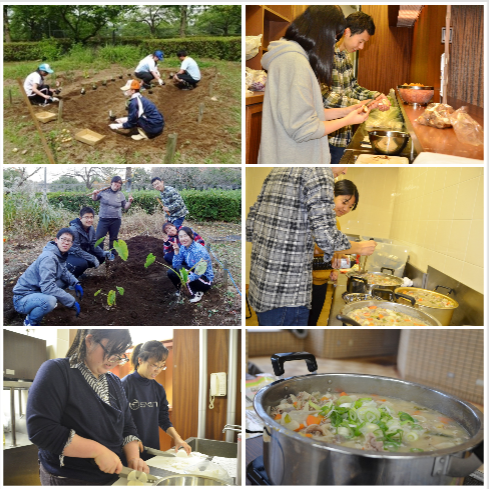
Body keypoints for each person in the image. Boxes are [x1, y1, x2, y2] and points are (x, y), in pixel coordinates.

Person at [246, 167, 377, 326]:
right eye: (344, 202)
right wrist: (360, 247)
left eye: (350, 206)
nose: (345, 170)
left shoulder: (277, 171)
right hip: (289, 293)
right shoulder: (318, 171)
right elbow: (326, 239)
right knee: (289, 346)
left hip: (263, 288)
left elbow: (250, 229)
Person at [26, 329, 149, 485]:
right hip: (69, 477)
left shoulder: (115, 382)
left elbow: (127, 426)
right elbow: (41, 430)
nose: (113, 360)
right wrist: (97, 451)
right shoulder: (56, 370)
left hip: (112, 476)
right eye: (111, 351)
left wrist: (133, 458)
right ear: (89, 341)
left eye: (119, 355)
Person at [257, 6, 371, 165]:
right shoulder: (294, 62)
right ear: (323, 33)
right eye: (334, 37)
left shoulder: (296, 59)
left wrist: (347, 111)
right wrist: (347, 120)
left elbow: (309, 114)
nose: (333, 44)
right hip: (292, 162)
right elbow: (303, 129)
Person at [323, 11, 392, 164]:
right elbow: (326, 98)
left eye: (364, 43)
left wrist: (375, 96)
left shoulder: (344, 57)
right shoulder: (324, 57)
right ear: (347, 32)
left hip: (343, 134)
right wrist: (363, 105)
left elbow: (353, 88)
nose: (361, 47)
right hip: (327, 136)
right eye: (360, 41)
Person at [121, 341, 191, 461]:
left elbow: (163, 418)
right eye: (154, 365)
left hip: (152, 448)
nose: (158, 370)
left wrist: (177, 438)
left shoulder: (158, 388)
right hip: (129, 449)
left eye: (162, 366)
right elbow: (118, 421)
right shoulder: (124, 385)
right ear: (140, 360)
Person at [309, 179, 359, 326]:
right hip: (307, 283)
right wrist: (356, 247)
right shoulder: (316, 215)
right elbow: (313, 247)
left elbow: (329, 249)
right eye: (344, 202)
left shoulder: (335, 221)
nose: (346, 209)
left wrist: (333, 265)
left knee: (312, 322)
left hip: (321, 281)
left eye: (350, 206)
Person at [12, 228, 82, 326]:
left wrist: (75, 283)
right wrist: (71, 301)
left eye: (68, 241)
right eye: (63, 239)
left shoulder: (59, 254)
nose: (65, 243)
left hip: (35, 291)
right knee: (50, 301)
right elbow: (47, 287)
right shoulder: (49, 257)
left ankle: (40, 301)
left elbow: (64, 272)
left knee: (63, 281)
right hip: (22, 298)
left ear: (72, 243)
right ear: (56, 240)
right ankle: (31, 322)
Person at [168, 227, 213, 303]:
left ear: (191, 235)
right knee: (171, 272)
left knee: (181, 268)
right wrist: (176, 252)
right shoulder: (183, 247)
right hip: (194, 274)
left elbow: (200, 271)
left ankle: (196, 293)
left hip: (205, 281)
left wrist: (190, 278)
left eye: (185, 236)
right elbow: (175, 266)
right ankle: (181, 290)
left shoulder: (198, 250)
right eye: (181, 236)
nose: (183, 239)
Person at [92, 176, 133, 253]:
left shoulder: (121, 194)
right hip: (103, 219)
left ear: (120, 185)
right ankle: (100, 254)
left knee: (113, 238)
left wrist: (130, 201)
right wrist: (94, 194)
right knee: (99, 237)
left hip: (116, 220)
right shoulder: (104, 191)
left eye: (119, 183)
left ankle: (112, 254)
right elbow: (94, 199)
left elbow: (125, 207)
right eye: (115, 182)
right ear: (111, 183)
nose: (117, 184)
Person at [66, 206, 110, 279]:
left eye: (91, 217)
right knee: (83, 263)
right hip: (69, 255)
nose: (89, 220)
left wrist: (103, 253)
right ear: (80, 218)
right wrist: (92, 258)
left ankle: (79, 273)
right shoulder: (73, 230)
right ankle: (70, 280)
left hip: (81, 252)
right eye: (86, 217)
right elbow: (75, 249)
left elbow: (93, 244)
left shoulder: (91, 228)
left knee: (101, 257)